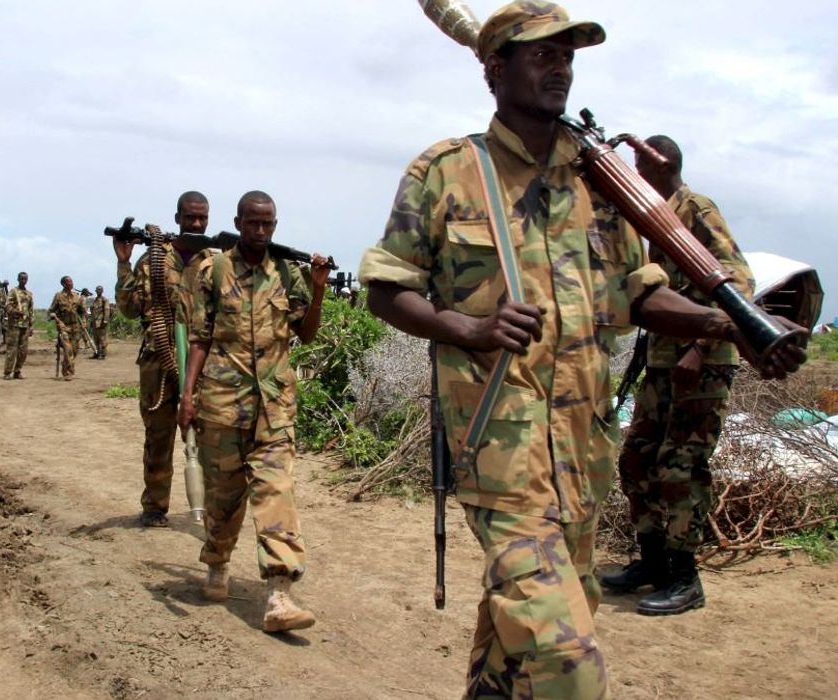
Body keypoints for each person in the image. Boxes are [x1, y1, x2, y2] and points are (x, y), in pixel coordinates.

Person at [357, 3, 805, 697]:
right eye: (543, 54)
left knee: (521, 635)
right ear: (495, 68)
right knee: (568, 660)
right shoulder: (447, 172)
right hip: (498, 454)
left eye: (567, 56)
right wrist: (468, 329)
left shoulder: (602, 188)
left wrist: (733, 328)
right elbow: (386, 289)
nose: (560, 67)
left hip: (582, 455)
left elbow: (639, 295)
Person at [599, 135, 755, 616]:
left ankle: (685, 578)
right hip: (663, 362)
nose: (636, 170)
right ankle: (652, 563)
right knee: (637, 461)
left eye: (643, 162)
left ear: (664, 163)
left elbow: (739, 279)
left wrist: (699, 346)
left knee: (681, 468)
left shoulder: (695, 208)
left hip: (702, 364)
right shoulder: (652, 217)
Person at [178, 190, 332, 633]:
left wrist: (317, 291)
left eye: (267, 224)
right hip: (223, 404)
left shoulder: (290, 273)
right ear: (238, 222)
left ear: (275, 225)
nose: (260, 232)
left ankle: (279, 594)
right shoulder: (214, 269)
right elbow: (200, 338)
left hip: (275, 405)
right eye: (252, 223)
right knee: (224, 499)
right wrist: (187, 397)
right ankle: (217, 561)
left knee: (276, 489)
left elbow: (307, 334)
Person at [114, 190, 211, 527]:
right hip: (159, 360)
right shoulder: (154, 258)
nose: (196, 224)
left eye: (202, 218)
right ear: (177, 218)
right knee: (158, 436)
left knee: (209, 437)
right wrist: (123, 262)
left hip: (204, 364)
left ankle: (211, 507)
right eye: (190, 217)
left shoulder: (216, 262)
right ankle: (155, 506)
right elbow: (127, 309)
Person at [48, 276, 86, 381]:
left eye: (72, 281)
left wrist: (84, 321)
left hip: (75, 327)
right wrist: (53, 317)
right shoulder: (59, 296)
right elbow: (51, 310)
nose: (71, 283)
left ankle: (65, 366)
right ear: (64, 284)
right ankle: (69, 372)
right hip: (64, 327)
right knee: (68, 349)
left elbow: (82, 311)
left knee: (74, 350)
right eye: (69, 282)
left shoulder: (76, 296)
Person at [3, 272, 34, 380]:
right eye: (21, 279)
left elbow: (31, 310)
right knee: (12, 349)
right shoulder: (13, 292)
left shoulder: (29, 294)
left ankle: (17, 370)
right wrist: (16, 312)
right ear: (18, 279)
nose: (23, 281)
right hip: (14, 324)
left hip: (25, 325)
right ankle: (7, 372)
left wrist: (31, 325)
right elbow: (7, 305)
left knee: (23, 351)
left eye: (25, 279)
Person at [89, 285, 111, 359]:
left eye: (100, 290)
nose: (98, 291)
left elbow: (107, 310)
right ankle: (97, 352)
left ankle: (102, 354)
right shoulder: (93, 300)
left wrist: (105, 320)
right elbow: (92, 311)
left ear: (102, 291)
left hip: (101, 322)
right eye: (97, 290)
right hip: (95, 322)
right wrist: (91, 322)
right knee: (96, 339)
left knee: (102, 339)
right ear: (96, 291)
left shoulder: (105, 300)